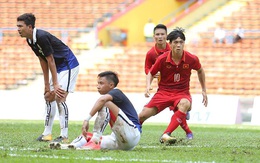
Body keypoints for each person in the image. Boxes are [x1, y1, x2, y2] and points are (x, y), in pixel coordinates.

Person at [17, 13, 79, 143]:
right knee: (48, 96)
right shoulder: (30, 40)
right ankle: (47, 134)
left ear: (29, 27)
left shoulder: (41, 36)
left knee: (59, 96)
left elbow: (50, 59)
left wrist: (55, 84)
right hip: (58, 66)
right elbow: (42, 60)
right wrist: (46, 84)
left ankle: (64, 136)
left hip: (68, 64)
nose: (18, 29)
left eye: (20, 26)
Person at [139, 27, 208, 145]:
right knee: (142, 115)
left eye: (181, 42)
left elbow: (200, 70)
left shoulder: (191, 58)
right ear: (170, 44)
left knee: (185, 104)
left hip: (182, 93)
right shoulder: (161, 59)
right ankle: (128, 133)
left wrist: (204, 90)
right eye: (175, 42)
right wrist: (147, 86)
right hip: (163, 92)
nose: (178, 45)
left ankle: (166, 134)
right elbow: (150, 72)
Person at [50, 71, 141, 150]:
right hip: (121, 141)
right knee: (86, 137)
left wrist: (87, 119)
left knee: (105, 103)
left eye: (101, 83)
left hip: (132, 132)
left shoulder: (117, 92)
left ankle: (95, 139)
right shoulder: (112, 96)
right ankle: (69, 146)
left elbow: (102, 100)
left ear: (111, 85)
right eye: (98, 83)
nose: (98, 86)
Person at [144, 24, 191, 135]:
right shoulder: (151, 53)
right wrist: (150, 79)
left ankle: (184, 130)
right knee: (178, 111)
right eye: (157, 34)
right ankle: (188, 132)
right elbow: (147, 68)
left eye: (162, 34)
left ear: (166, 36)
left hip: (178, 84)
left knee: (179, 109)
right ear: (153, 36)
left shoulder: (174, 46)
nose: (160, 37)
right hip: (164, 85)